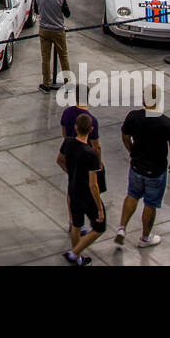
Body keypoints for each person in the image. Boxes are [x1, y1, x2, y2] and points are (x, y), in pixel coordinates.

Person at [115, 83, 170, 248]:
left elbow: (125, 135)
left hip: (136, 166)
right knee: (151, 203)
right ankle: (145, 238)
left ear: (144, 99)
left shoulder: (133, 117)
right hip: (156, 171)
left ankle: (122, 228)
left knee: (132, 194)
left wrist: (132, 150)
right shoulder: (167, 124)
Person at [57, 112, 105, 265]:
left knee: (77, 224)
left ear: (75, 128)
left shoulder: (68, 143)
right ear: (91, 130)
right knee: (99, 227)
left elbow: (59, 160)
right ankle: (74, 253)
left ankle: (77, 258)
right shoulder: (91, 154)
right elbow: (93, 185)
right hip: (86, 195)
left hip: (73, 190)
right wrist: (99, 207)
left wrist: (72, 173)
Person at [33, 0, 70, 93]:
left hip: (44, 29)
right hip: (58, 30)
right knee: (63, 56)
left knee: (45, 58)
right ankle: (67, 83)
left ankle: (46, 84)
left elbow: (36, 11)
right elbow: (67, 14)